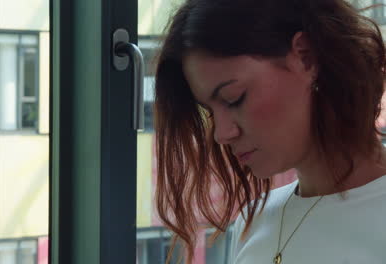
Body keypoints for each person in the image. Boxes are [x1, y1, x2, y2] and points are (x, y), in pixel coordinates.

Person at [153, 0, 386, 263]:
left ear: (305, 56)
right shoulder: (253, 221)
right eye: (210, 111)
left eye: (234, 98)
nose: (221, 134)